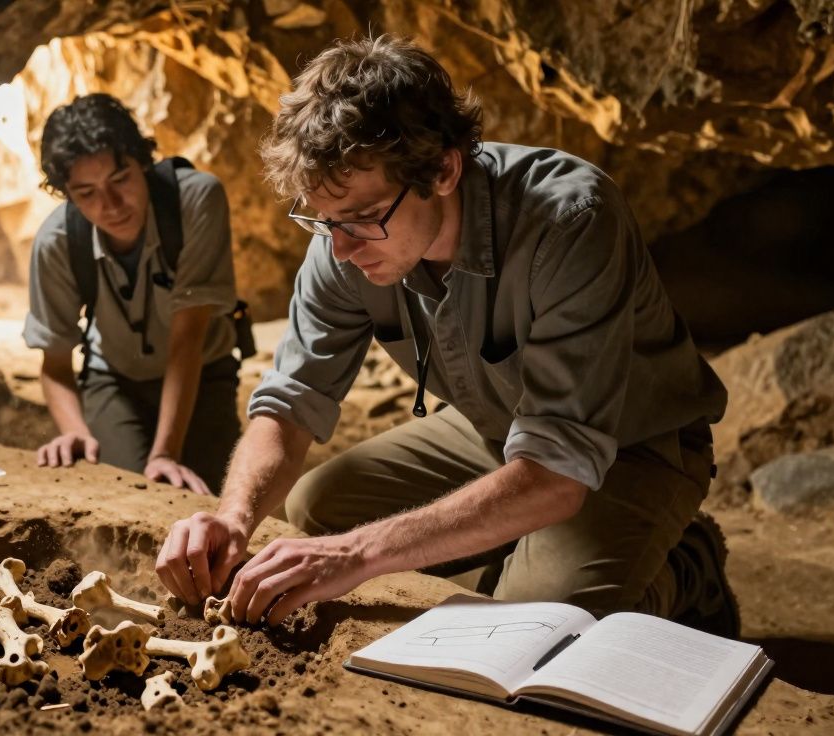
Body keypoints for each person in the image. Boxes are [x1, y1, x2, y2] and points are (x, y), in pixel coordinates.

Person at [155, 36, 739, 637]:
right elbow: (290, 403)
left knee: (531, 626)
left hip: (631, 445)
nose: (341, 249)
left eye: (363, 219)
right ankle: (528, 550)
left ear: (442, 170)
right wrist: (233, 518)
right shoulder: (343, 235)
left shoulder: (570, 220)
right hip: (497, 424)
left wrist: (356, 554)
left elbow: (556, 469)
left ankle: (684, 567)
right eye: (323, 221)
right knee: (318, 507)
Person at [23, 93, 243, 495]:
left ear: (143, 162)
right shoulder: (57, 242)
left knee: (207, 496)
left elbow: (188, 339)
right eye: (86, 193)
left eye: (120, 179)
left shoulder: (195, 201)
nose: (110, 205)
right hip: (115, 379)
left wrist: (165, 454)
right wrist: (75, 431)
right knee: (122, 491)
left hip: (203, 372)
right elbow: (54, 362)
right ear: (67, 194)